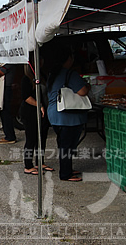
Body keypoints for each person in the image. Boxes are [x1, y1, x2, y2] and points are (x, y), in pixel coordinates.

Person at [44, 43, 90, 182]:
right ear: (68, 58)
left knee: (63, 144)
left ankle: (67, 169)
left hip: (55, 114)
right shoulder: (70, 74)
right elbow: (82, 91)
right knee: (67, 145)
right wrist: (88, 85)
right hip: (68, 116)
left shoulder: (53, 73)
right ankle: (65, 173)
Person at [19, 61, 52, 175]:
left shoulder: (41, 75)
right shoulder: (26, 79)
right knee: (31, 139)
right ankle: (28, 165)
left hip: (43, 112)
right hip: (30, 112)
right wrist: (39, 105)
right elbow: (26, 97)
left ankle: (40, 161)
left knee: (42, 138)